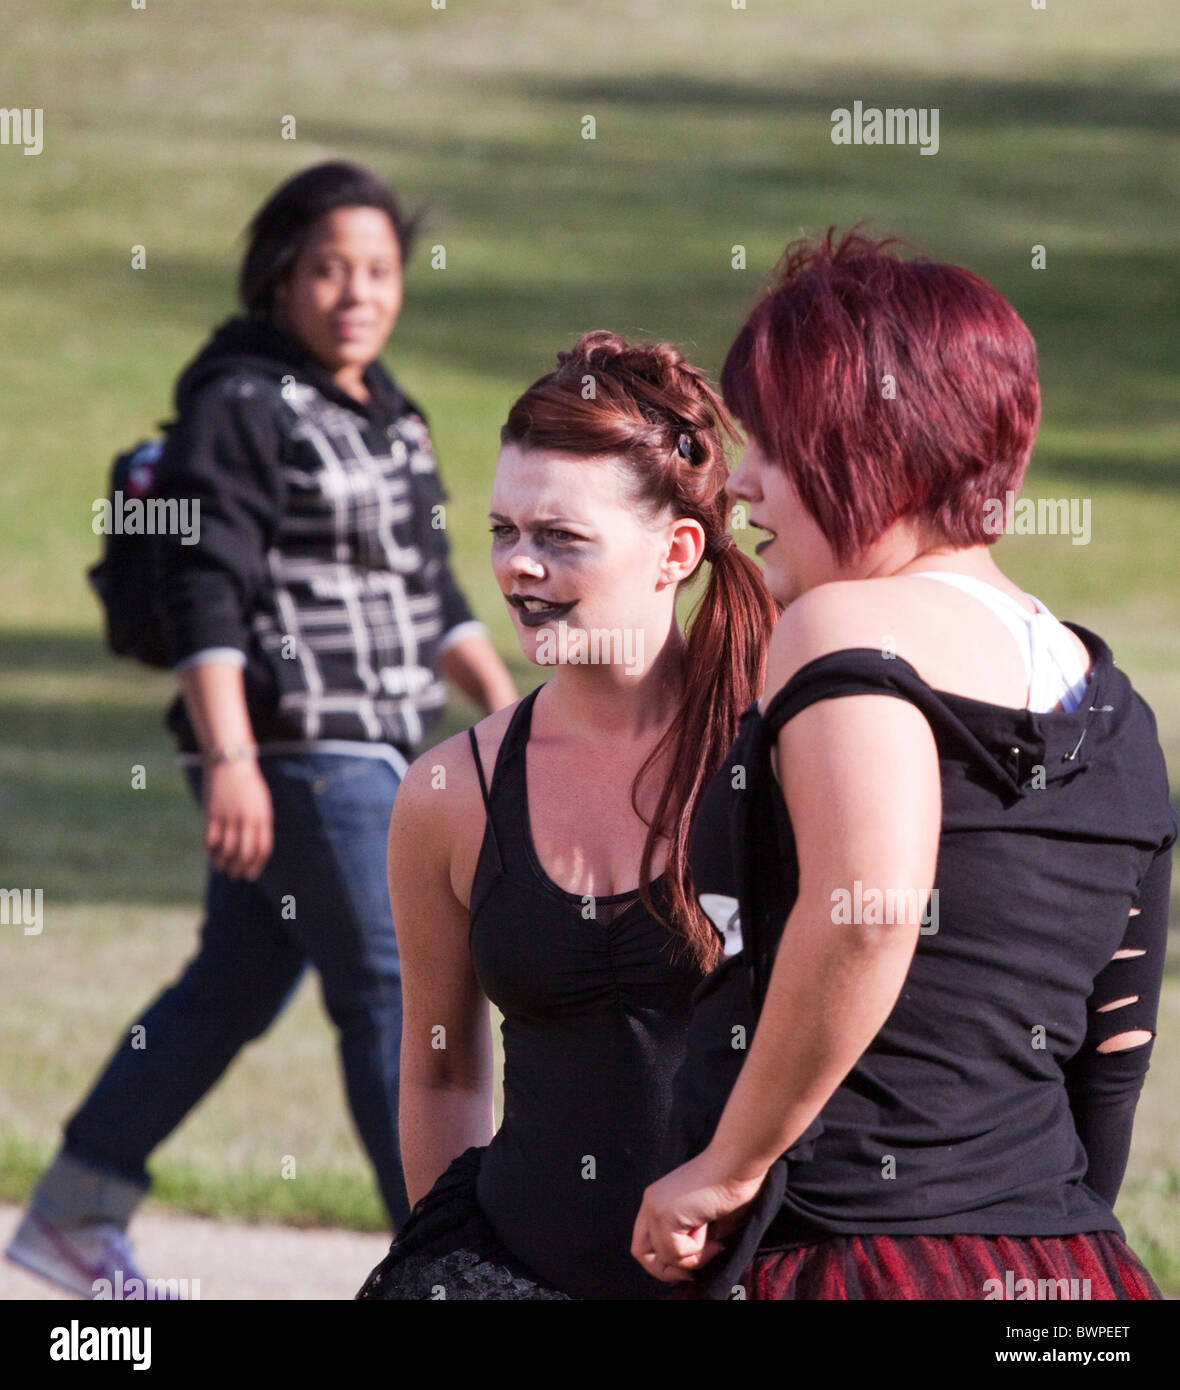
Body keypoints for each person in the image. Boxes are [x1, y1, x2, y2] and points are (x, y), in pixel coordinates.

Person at [632, 229, 1175, 1300]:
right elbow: (1117, 1046)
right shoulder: (1118, 706)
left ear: (863, 447)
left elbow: (870, 909)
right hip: (1071, 1270)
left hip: (859, 1260)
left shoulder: (843, 634)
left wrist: (725, 1168)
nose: (738, 482)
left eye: (772, 445)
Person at [7, 161, 516, 1298]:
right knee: (392, 985)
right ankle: (443, 1269)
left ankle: (72, 1218)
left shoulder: (391, 413)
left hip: (388, 744)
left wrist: (508, 709)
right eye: (328, 268)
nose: (356, 292)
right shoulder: (240, 404)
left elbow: (427, 590)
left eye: (379, 269)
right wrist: (230, 756)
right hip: (296, 753)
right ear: (278, 276)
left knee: (237, 980)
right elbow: (205, 595)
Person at [356, 329, 778, 1299]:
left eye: (559, 537)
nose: (518, 567)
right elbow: (441, 1071)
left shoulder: (778, 754)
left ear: (675, 550)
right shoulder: (448, 792)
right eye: (503, 531)